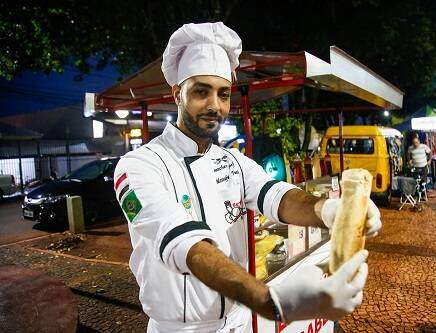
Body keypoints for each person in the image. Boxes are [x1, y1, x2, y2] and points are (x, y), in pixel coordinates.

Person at [113, 22, 382, 333]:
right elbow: (187, 246)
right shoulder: (138, 166)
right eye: (201, 91)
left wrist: (327, 211)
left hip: (239, 323)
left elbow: (277, 195)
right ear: (177, 94)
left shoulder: (234, 162)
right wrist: (272, 301)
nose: (215, 105)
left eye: (223, 94)